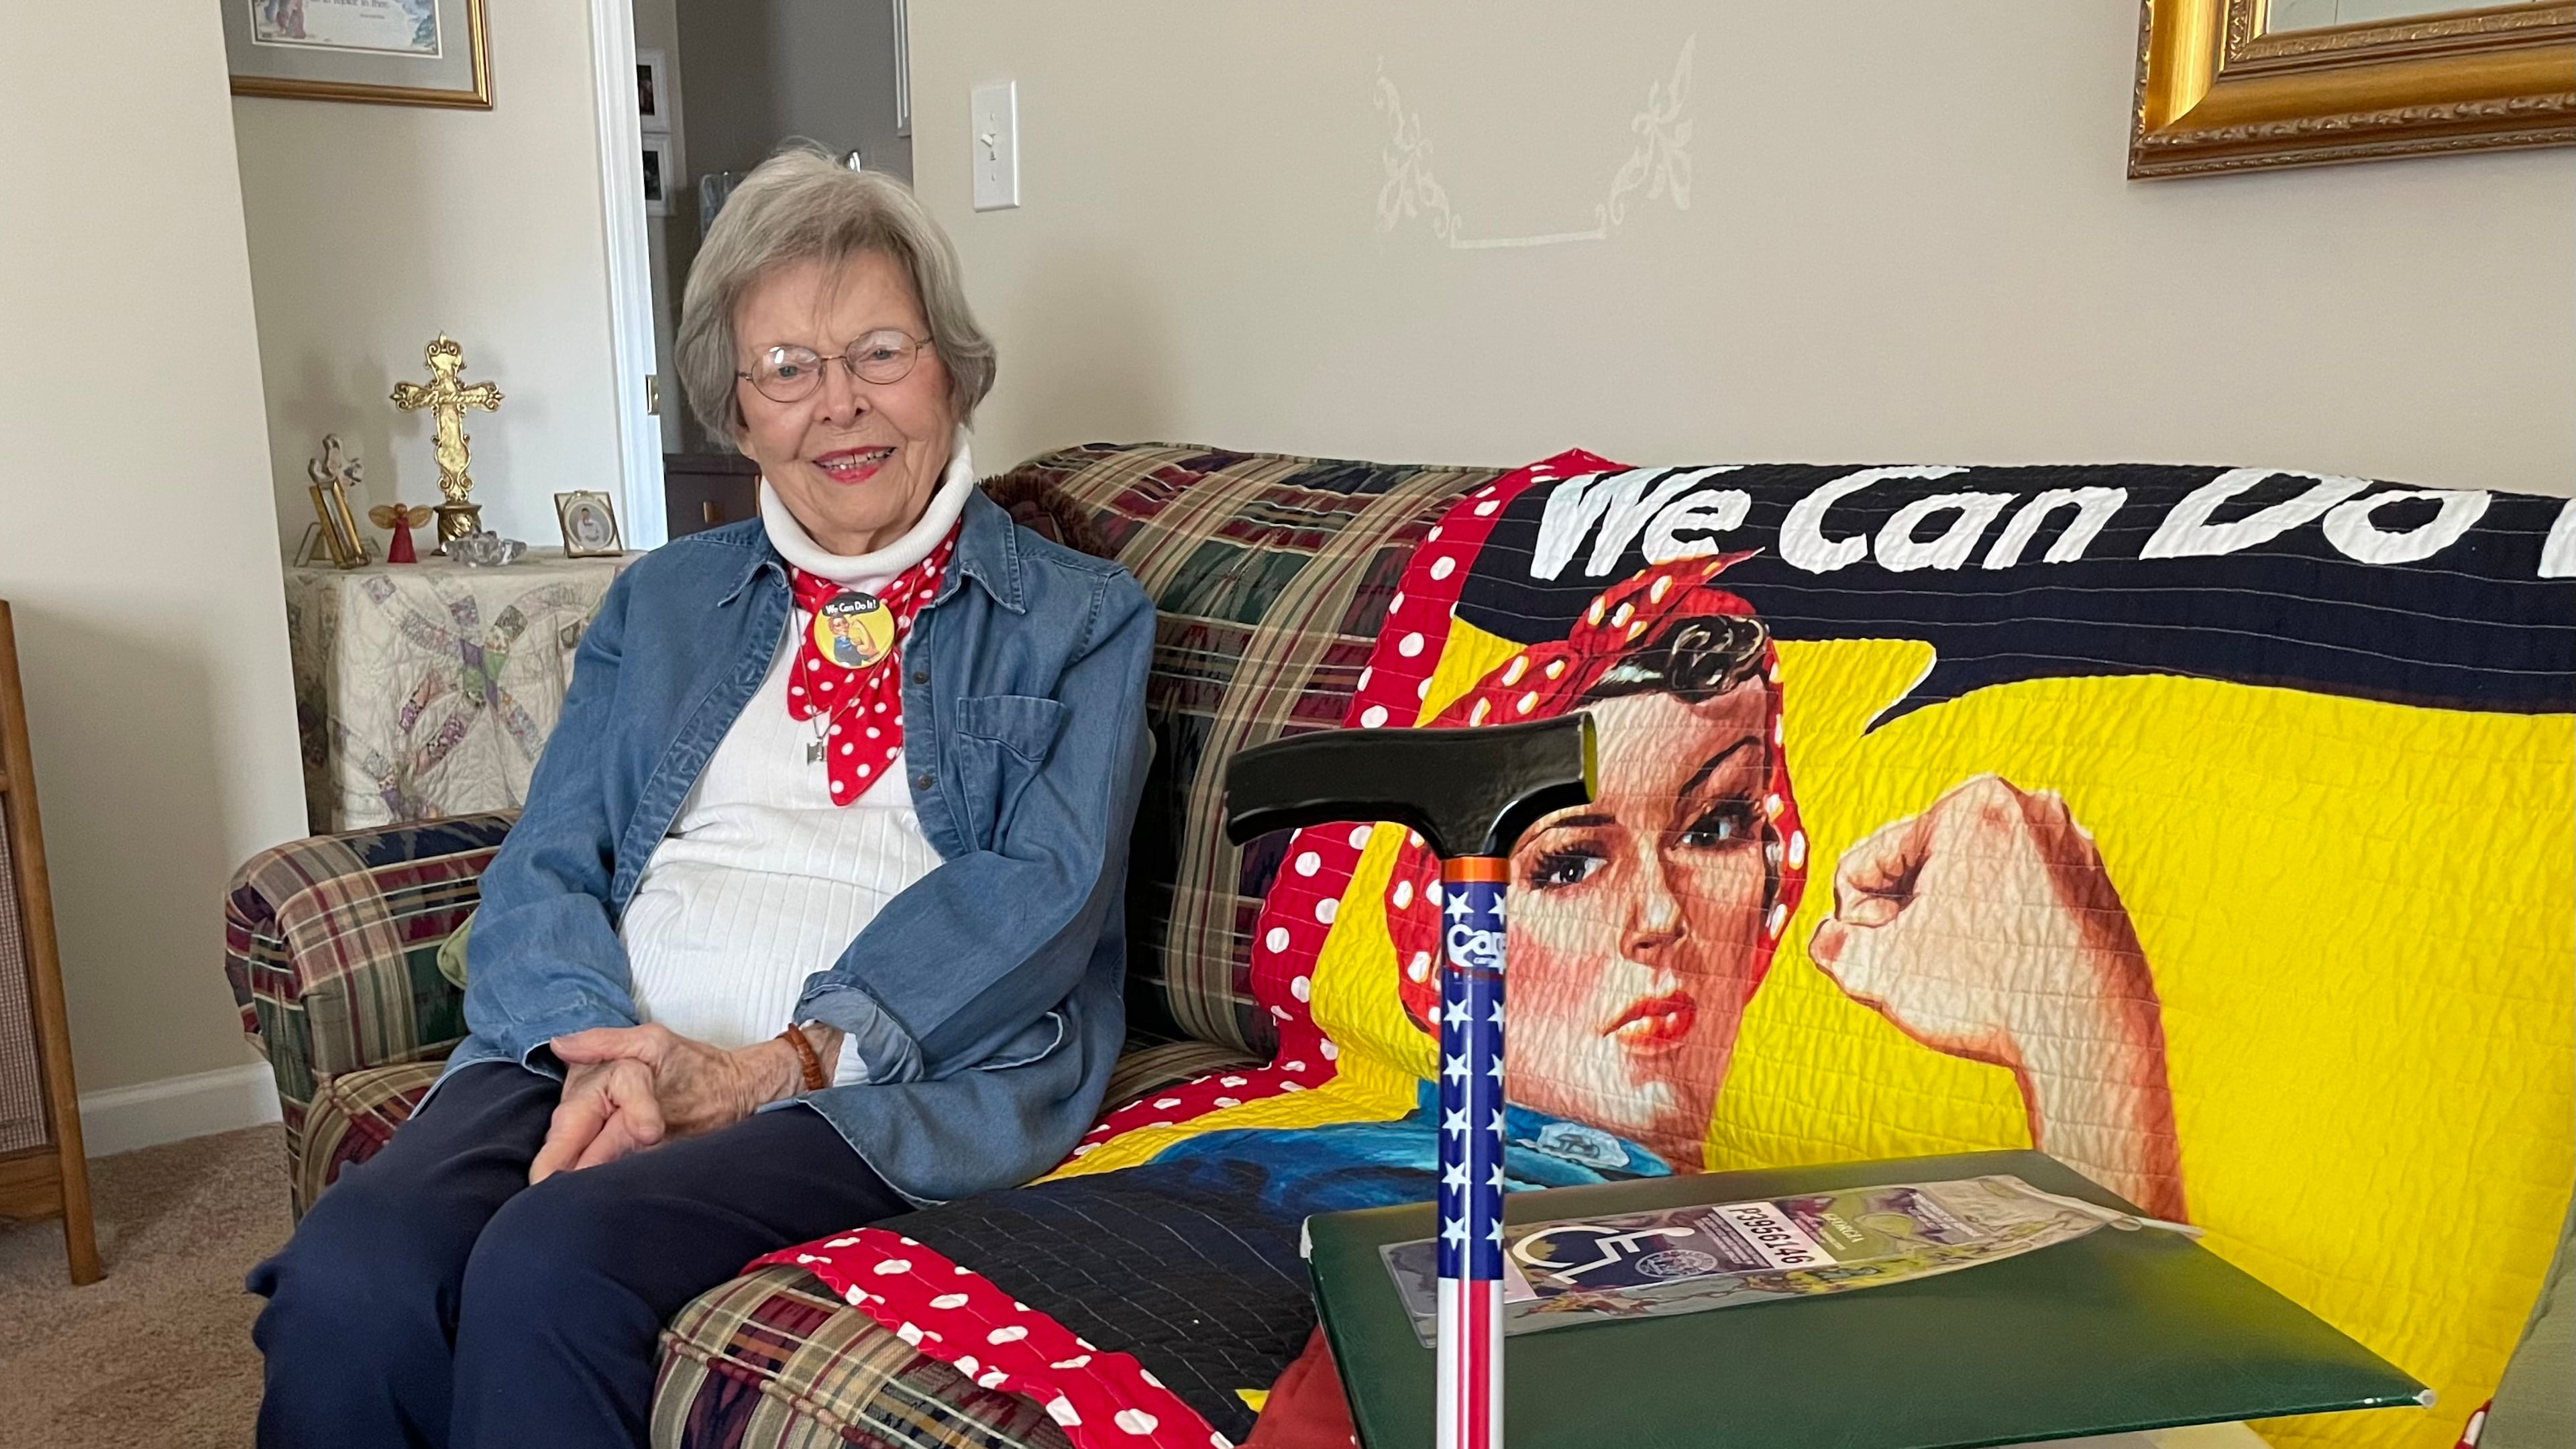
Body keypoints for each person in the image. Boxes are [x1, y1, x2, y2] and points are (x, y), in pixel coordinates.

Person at [248, 146, 1155, 1449]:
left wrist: (771, 1067)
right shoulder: (667, 601)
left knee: (551, 1265)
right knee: (355, 1275)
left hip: (871, 1082)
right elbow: (549, 856)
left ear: (954, 371)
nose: (837, 405)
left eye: (881, 353)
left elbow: (1044, 895)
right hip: (605, 1037)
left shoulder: (1077, 618)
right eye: (786, 369)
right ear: (738, 416)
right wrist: (592, 1048)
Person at [1379, 555, 2188, 1221]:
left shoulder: (1832, 1227)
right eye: (1568, 866)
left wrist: (2075, 1017)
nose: (1661, 918)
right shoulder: (1353, 1194)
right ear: (1453, 940)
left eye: (1714, 828)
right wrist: (2089, 1032)